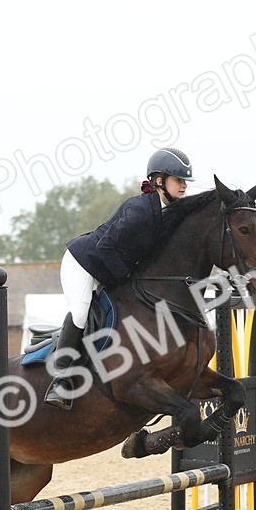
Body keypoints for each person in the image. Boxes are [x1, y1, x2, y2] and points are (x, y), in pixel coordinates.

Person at [45, 147, 193, 409]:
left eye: (185, 181)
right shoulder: (140, 210)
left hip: (108, 267)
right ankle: (60, 379)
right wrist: (125, 278)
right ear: (159, 181)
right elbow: (104, 247)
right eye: (178, 180)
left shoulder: (167, 211)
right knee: (81, 313)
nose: (183, 186)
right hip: (83, 263)